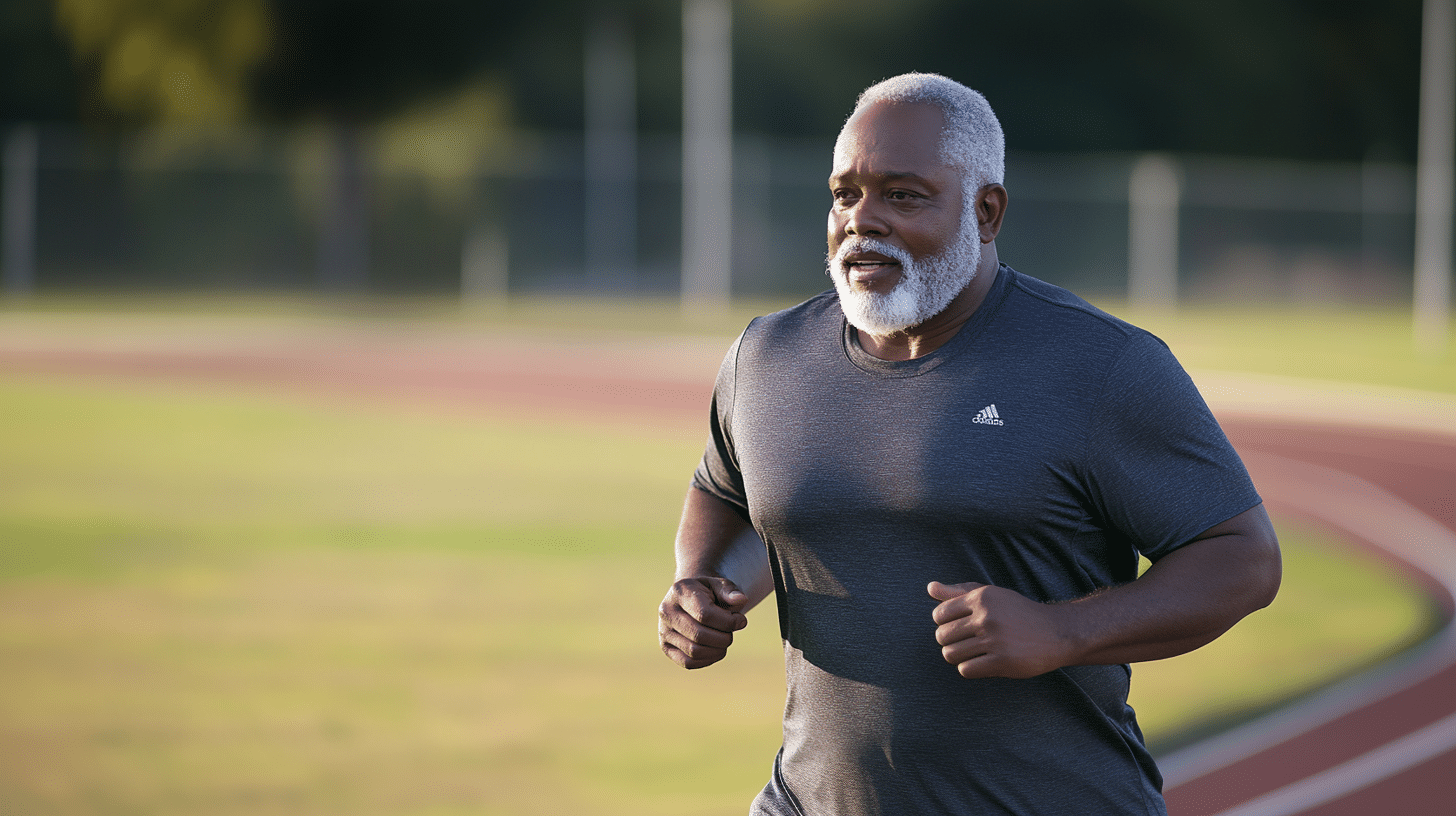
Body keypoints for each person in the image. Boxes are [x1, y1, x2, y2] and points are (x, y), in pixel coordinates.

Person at [657, 72, 1281, 816]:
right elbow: (728, 492)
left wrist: (1062, 631)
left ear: (986, 213)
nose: (863, 221)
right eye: (845, 193)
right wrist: (701, 584)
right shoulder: (766, 357)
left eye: (903, 194)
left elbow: (1243, 558)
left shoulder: (1100, 364)